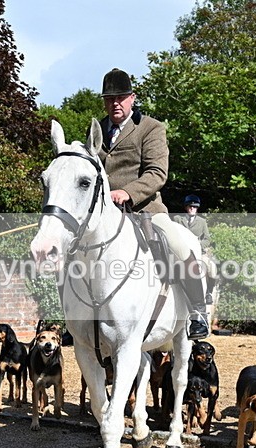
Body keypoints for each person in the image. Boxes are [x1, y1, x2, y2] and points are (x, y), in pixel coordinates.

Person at [98, 68, 209, 340]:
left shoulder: (151, 127)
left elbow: (157, 173)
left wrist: (127, 192)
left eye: (121, 97)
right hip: (105, 213)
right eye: (109, 98)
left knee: (181, 246)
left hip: (145, 210)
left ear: (132, 98)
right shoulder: (97, 130)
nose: (115, 103)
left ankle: (197, 312)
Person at [173, 195, 218, 304]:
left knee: (211, 268)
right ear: (186, 207)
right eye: (190, 206)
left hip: (198, 252)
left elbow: (207, 238)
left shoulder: (202, 222)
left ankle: (209, 292)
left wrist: (198, 246)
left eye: (194, 207)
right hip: (181, 252)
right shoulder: (178, 219)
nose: (192, 208)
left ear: (197, 208)